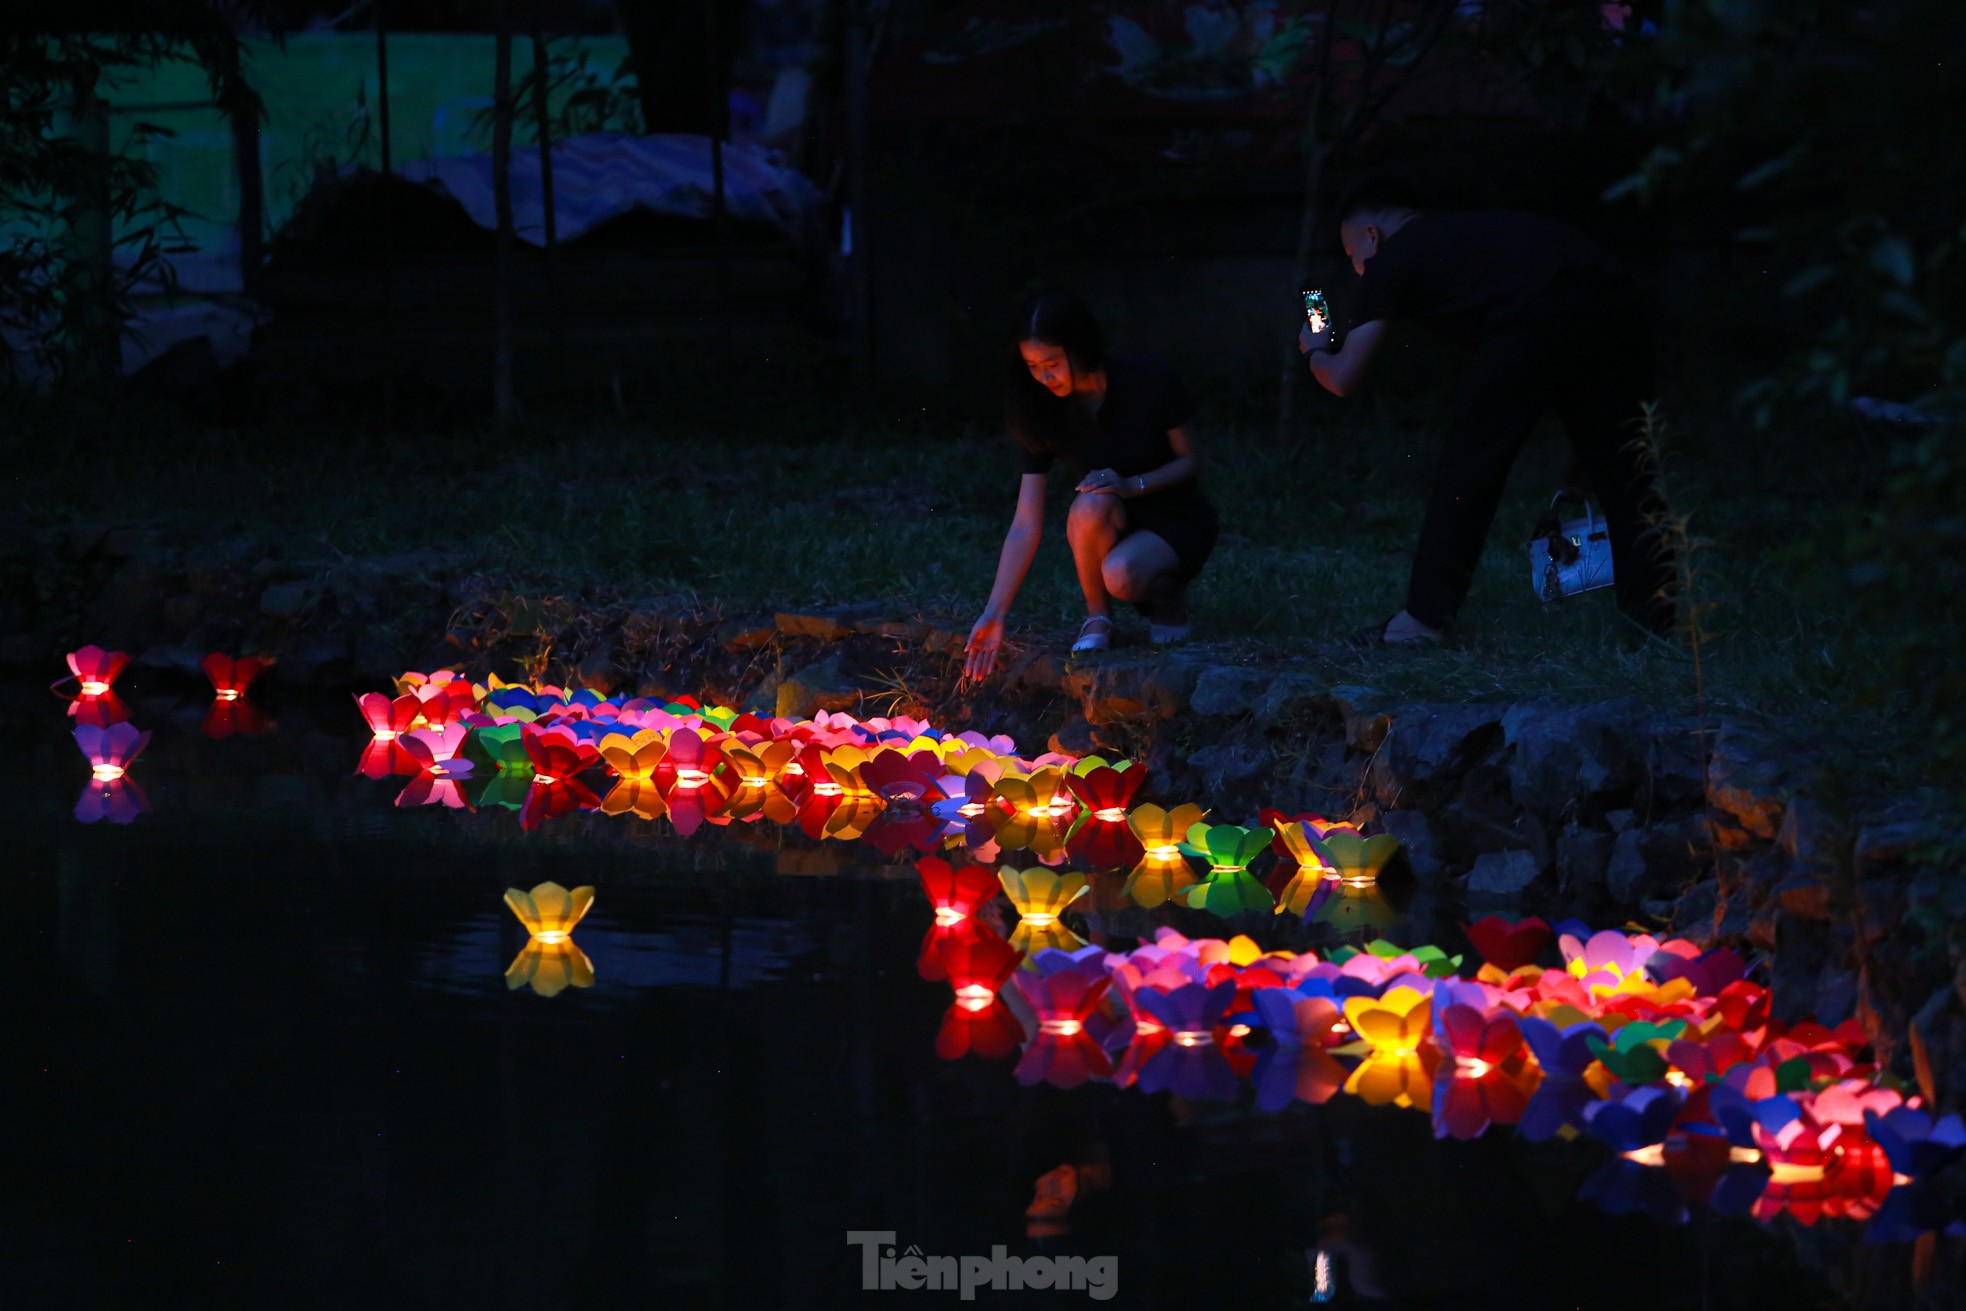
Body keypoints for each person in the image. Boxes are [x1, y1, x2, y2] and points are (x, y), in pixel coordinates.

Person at [1299, 178, 1676, 644]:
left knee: (1469, 464)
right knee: (1628, 471)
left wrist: (1314, 350)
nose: (1359, 271)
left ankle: (1423, 621)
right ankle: (1656, 623)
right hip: (1614, 295)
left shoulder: (1393, 257)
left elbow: (1343, 378)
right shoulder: (1472, 239)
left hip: (1533, 313)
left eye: (1352, 255)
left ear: (1371, 236)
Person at [963, 292, 1219, 680]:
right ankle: (1098, 617)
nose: (1044, 376)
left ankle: (1168, 594)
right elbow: (1026, 522)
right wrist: (994, 612)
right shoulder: (1040, 408)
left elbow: (1192, 460)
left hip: (1175, 516)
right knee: (1088, 502)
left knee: (1122, 574)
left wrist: (1132, 485)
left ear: (1080, 348)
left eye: (1052, 363)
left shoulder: (1149, 381)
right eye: (1033, 366)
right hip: (1111, 516)